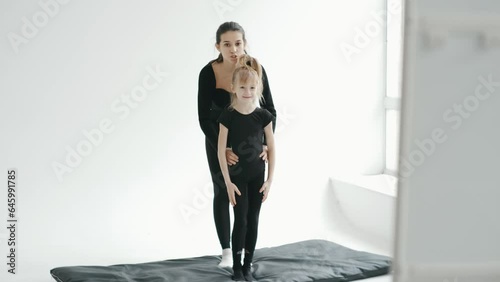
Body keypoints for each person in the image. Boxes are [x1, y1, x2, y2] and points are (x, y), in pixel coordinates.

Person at [197, 21, 277, 268]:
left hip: (250, 143)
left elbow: (270, 110)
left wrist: (265, 143)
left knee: (249, 201)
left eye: (238, 43)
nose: (233, 49)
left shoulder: (255, 67)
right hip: (218, 139)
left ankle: (246, 251)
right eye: (227, 44)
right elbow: (203, 116)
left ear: (245, 44)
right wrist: (224, 148)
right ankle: (227, 252)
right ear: (218, 46)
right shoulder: (208, 72)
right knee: (223, 192)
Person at [217, 59, 276, 281]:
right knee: (240, 220)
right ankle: (237, 267)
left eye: (252, 87)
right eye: (242, 87)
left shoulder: (263, 116)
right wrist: (228, 182)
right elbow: (221, 151)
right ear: (233, 88)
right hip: (237, 178)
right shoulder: (228, 115)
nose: (247, 92)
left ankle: (248, 264)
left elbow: (272, 149)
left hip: (257, 176)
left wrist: (269, 181)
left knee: (253, 220)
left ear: (258, 88)